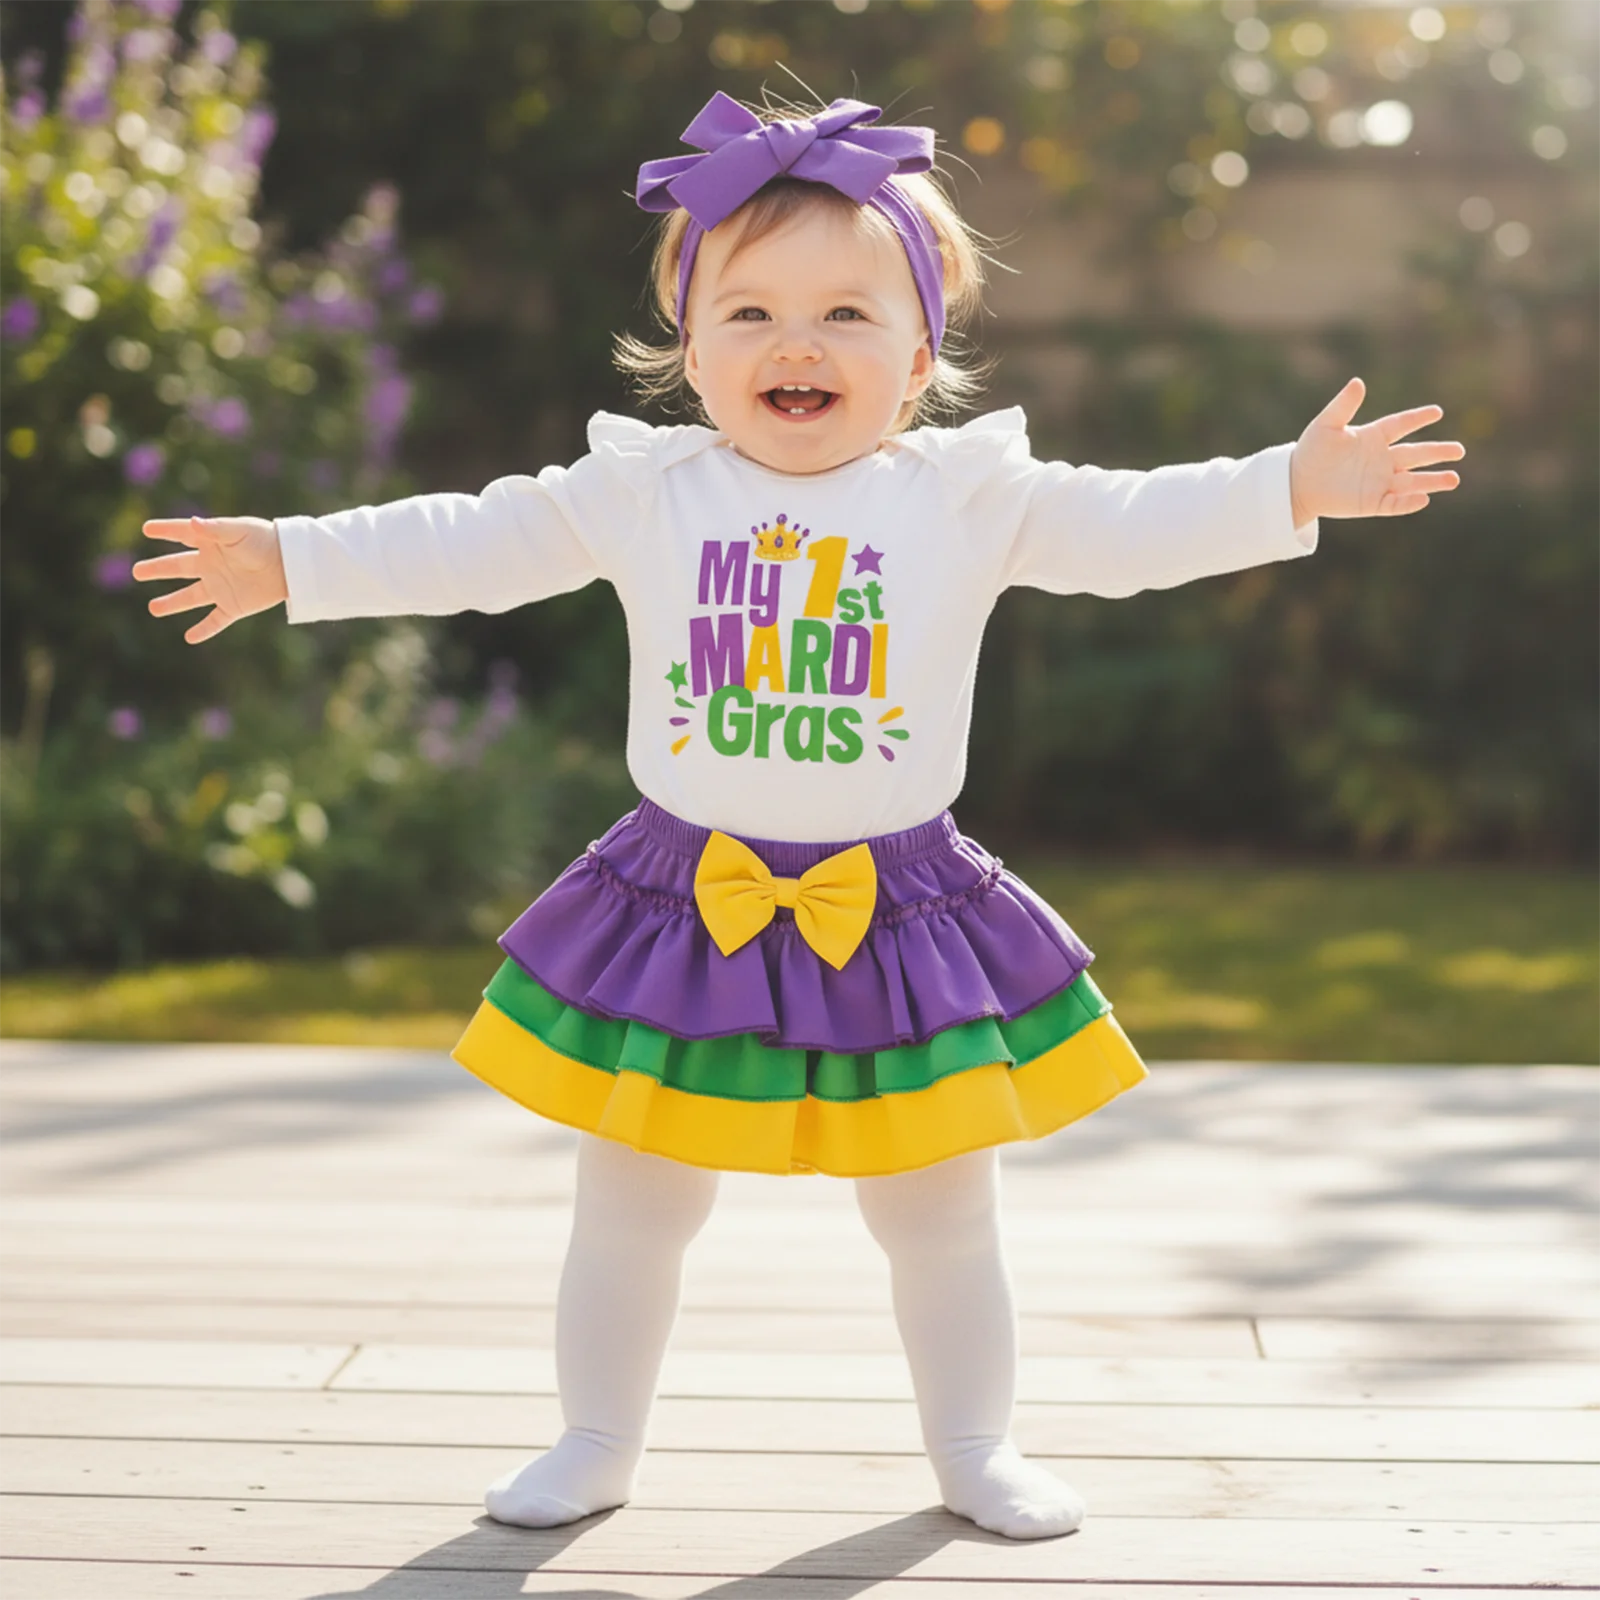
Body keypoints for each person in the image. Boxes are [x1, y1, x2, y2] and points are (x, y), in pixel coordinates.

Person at [134, 92, 1464, 1542]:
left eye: (846, 311)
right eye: (750, 312)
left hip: (897, 908)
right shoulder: (647, 490)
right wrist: (296, 561)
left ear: (921, 351)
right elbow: (471, 535)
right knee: (634, 1195)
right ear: (689, 347)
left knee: (940, 1208)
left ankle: (974, 1447)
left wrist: (1288, 486)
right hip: (676, 899)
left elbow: (1131, 529)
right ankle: (592, 1439)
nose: (797, 344)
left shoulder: (964, 497)